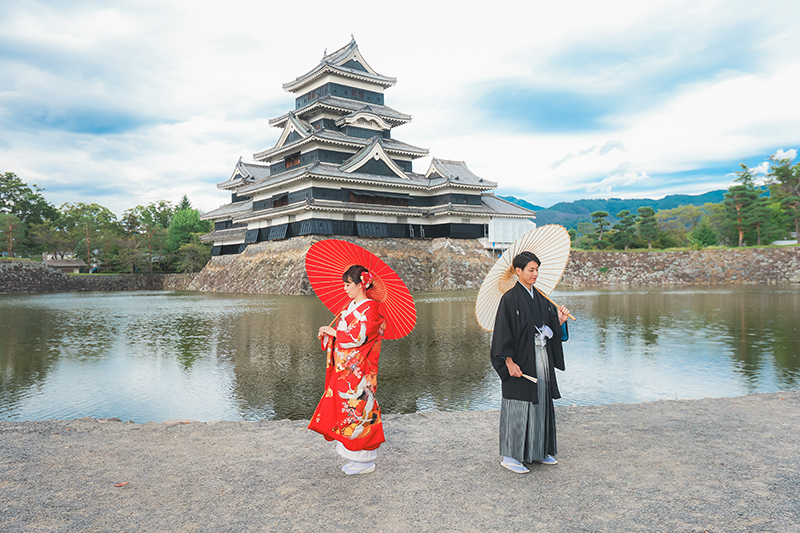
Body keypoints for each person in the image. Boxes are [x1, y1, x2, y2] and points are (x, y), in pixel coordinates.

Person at [490, 251, 570, 474]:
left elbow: (553, 329)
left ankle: (538, 450)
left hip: (541, 357)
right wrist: (508, 361)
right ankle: (511, 455)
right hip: (520, 360)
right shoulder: (509, 299)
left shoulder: (543, 298)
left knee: (541, 401)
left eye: (537, 270)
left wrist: (560, 322)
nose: (535, 274)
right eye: (530, 270)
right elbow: (502, 334)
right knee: (518, 405)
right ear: (518, 271)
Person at [308, 265, 385, 475]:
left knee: (358, 411)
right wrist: (329, 334)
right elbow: (343, 333)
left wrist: (335, 331)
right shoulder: (351, 306)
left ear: (362, 284)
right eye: (344, 284)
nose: (345, 288)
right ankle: (353, 458)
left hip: (359, 369)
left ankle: (365, 462)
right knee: (344, 411)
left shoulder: (371, 308)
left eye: (348, 284)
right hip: (345, 369)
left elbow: (360, 337)